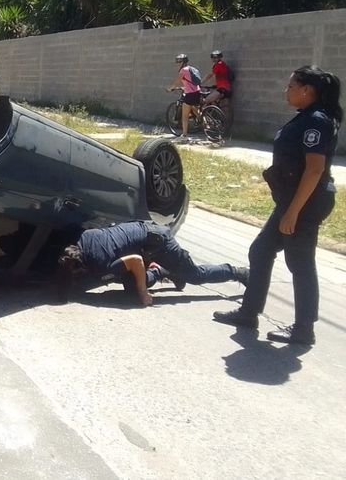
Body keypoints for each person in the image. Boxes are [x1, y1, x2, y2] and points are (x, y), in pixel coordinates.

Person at [214, 66, 341, 345]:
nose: (287, 90)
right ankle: (249, 312)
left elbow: (314, 170)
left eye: (291, 86)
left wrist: (293, 212)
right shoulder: (309, 117)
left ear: (307, 90)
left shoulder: (316, 121)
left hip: (304, 203)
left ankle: (304, 329)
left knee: (300, 262)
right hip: (292, 200)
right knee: (261, 250)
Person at [57, 221, 249, 306]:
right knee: (128, 282)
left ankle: (238, 272)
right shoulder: (84, 238)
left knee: (195, 276)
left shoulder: (100, 264)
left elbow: (135, 261)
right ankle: (168, 271)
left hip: (159, 244)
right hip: (144, 232)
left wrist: (143, 294)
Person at [168, 53, 202, 140]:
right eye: (177, 62)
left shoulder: (183, 70)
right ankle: (207, 123)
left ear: (183, 62)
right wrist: (184, 87)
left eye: (179, 62)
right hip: (197, 92)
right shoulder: (193, 69)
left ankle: (184, 135)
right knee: (195, 110)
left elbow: (177, 81)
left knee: (185, 115)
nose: (178, 63)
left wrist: (169, 88)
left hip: (190, 94)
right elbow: (192, 83)